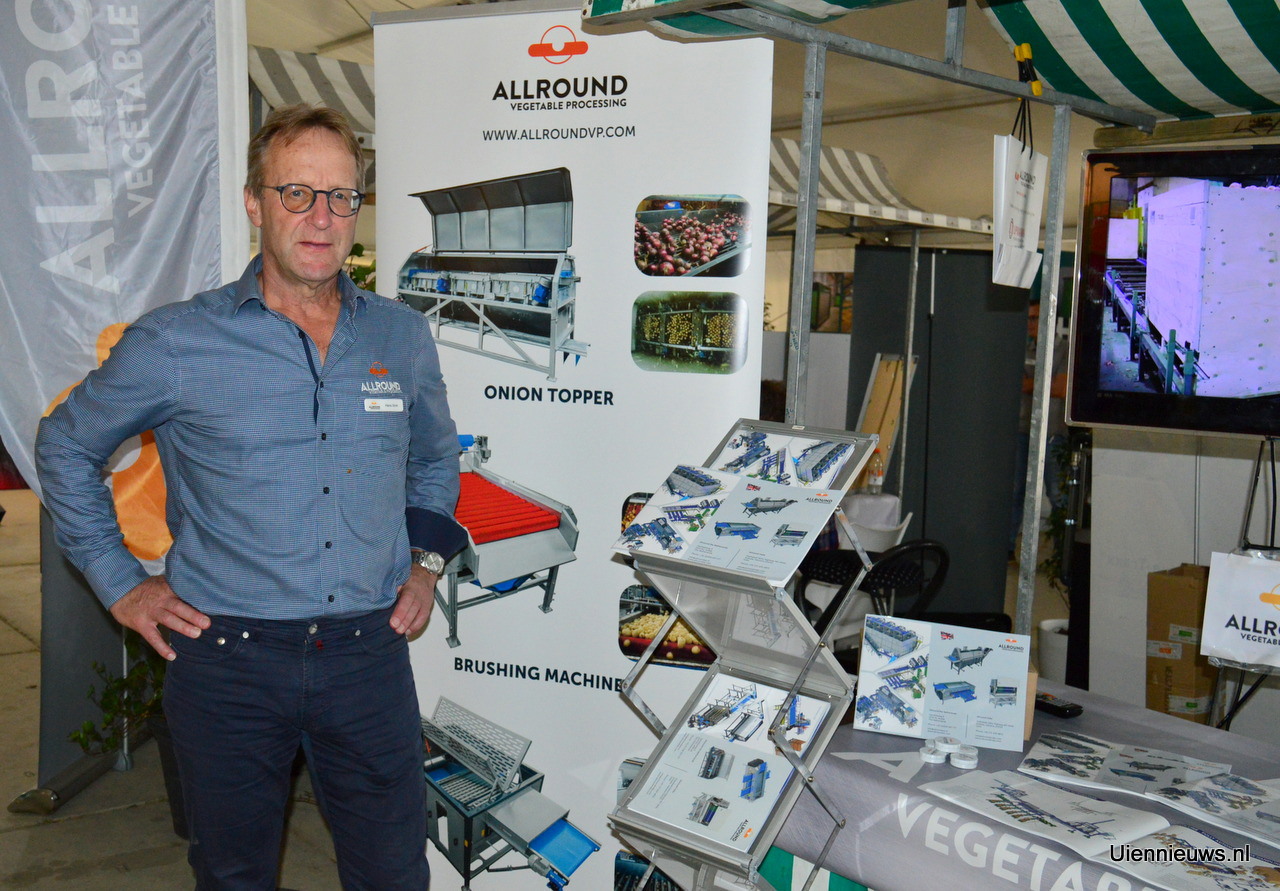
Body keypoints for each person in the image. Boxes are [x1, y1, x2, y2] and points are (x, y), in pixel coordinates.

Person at [36, 104, 461, 889]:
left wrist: (426, 562)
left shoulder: (399, 337)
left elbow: (435, 458)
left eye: (341, 196)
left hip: (367, 661)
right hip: (228, 663)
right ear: (254, 203)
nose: (321, 217)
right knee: (234, 877)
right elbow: (66, 444)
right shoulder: (177, 342)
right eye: (296, 192)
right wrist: (120, 583)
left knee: (396, 875)